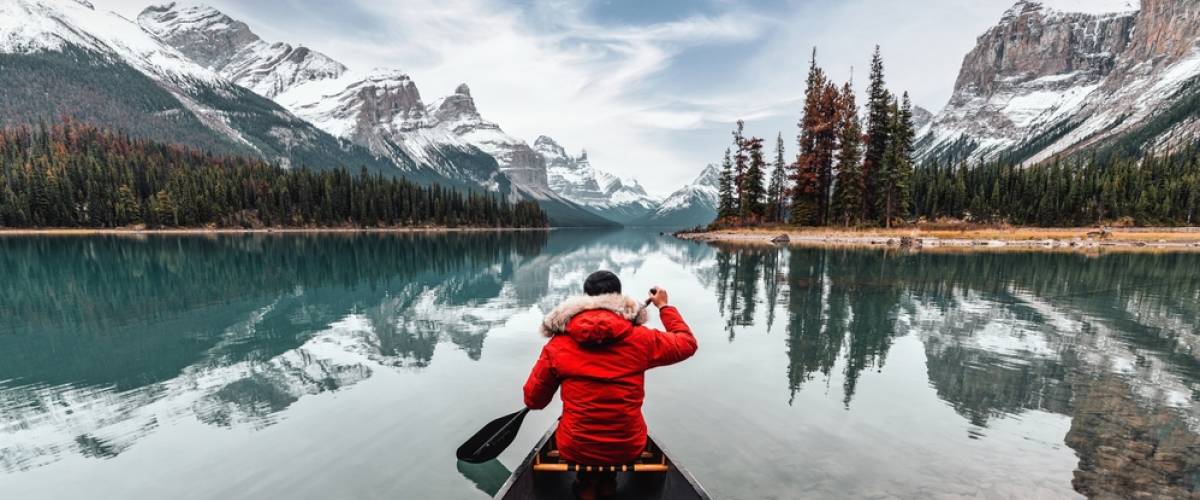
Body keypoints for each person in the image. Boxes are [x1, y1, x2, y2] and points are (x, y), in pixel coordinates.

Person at [523, 270, 698, 499]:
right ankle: (607, 485)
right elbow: (687, 343)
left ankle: (587, 486)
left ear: (585, 299)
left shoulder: (558, 345)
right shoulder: (641, 339)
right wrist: (664, 306)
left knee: (577, 441)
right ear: (618, 297)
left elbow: (534, 401)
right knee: (617, 447)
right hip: (628, 444)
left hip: (575, 445)